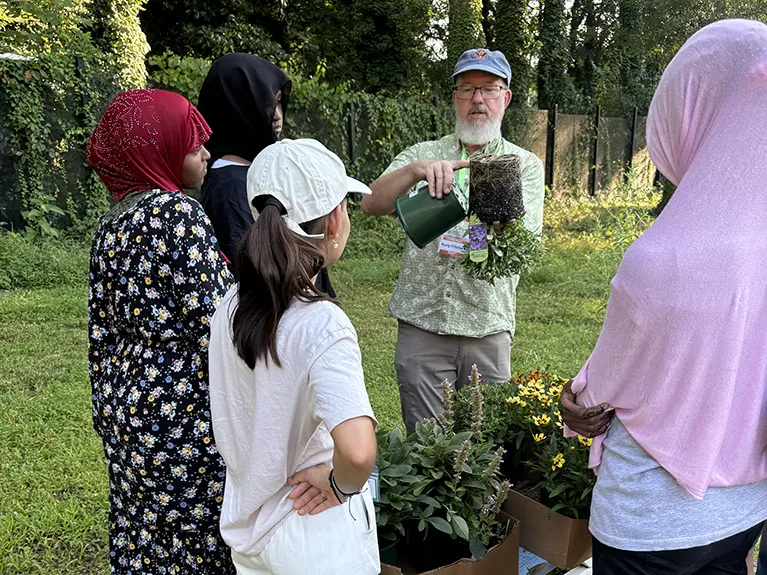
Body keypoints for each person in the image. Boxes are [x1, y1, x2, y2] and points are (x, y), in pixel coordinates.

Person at [559, 19, 767, 574]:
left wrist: (570, 398)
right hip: (743, 514)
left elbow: (597, 396)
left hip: (649, 523)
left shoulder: (660, 261)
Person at [208, 138, 379, 574]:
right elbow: (358, 451)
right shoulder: (321, 322)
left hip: (251, 531)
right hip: (315, 531)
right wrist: (341, 488)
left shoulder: (229, 306)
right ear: (336, 219)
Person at [86, 89, 235, 573]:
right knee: (198, 536)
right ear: (161, 152)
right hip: (182, 411)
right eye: (194, 147)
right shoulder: (178, 216)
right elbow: (221, 320)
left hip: (125, 406)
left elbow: (100, 331)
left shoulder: (111, 225)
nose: (206, 154)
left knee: (145, 530)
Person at [362, 48, 545, 433]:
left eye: (489, 89)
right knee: (428, 449)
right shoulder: (425, 155)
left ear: (505, 98)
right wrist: (414, 173)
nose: (478, 99)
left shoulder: (522, 164)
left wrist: (491, 204)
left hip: (487, 327)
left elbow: (523, 242)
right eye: (467, 89)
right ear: (455, 98)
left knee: (484, 448)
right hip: (423, 325)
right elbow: (370, 202)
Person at [197, 53, 336, 296]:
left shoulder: (260, 170)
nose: (277, 115)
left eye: (280, 102)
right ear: (235, 108)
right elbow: (257, 276)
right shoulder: (228, 188)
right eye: (265, 103)